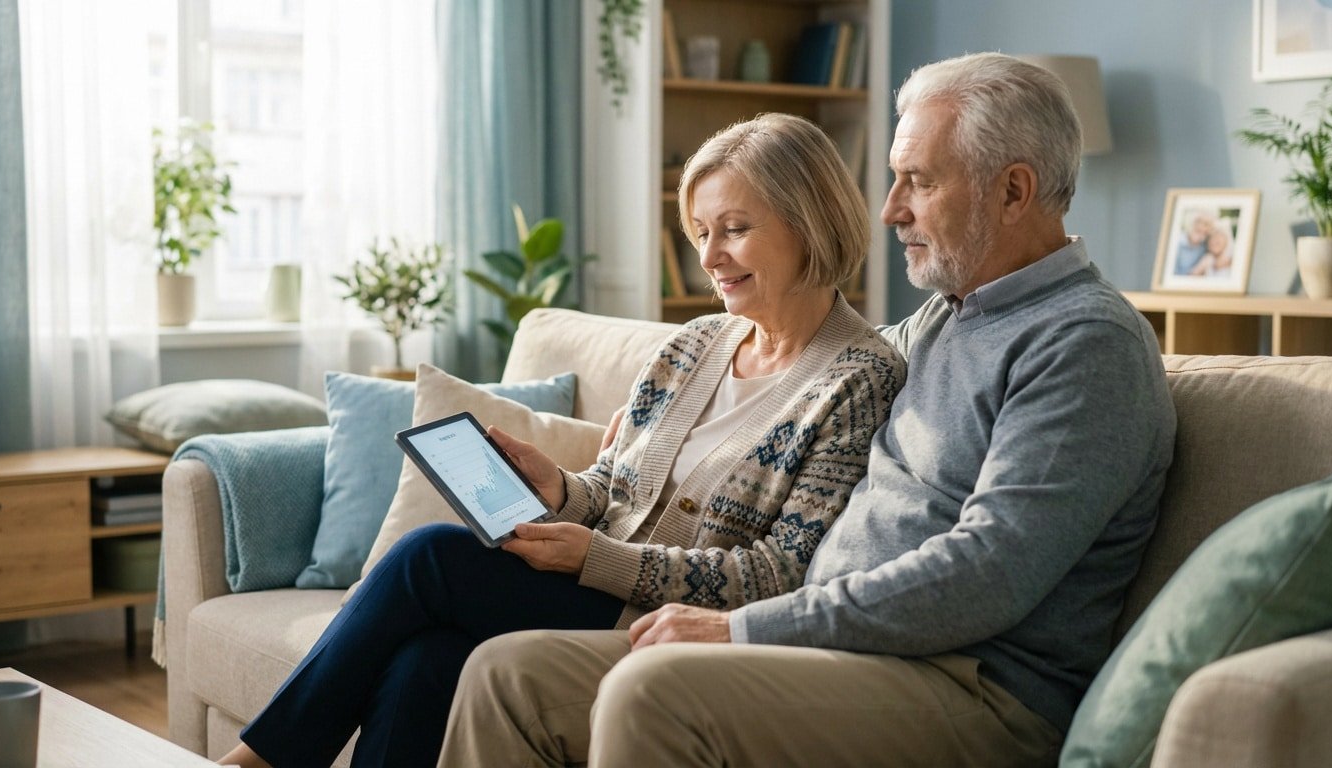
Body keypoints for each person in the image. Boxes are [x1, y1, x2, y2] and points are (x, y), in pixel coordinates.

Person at [440, 52, 1177, 768]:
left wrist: (747, 628)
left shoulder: (1086, 344)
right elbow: (811, 381)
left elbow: (987, 575)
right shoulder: (948, 318)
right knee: (509, 675)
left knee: (652, 690)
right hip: (846, 647)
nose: (891, 209)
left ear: (1014, 192)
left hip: (971, 684)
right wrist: (613, 469)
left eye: (916, 182)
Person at [216, 112, 906, 768]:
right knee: (427, 658)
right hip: (604, 583)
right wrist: (560, 490)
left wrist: (599, 559)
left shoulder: (859, 377)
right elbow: (611, 487)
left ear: (807, 221)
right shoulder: (692, 345)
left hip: (681, 618)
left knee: (429, 556)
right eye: (700, 230)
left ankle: (264, 758)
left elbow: (782, 572)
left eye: (734, 228)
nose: (710, 255)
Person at [1173, 209, 1215, 275]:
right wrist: (1197, 271)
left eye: (1205, 232)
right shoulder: (1176, 242)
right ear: (1192, 224)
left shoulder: (1204, 246)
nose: (1203, 227)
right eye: (1198, 230)